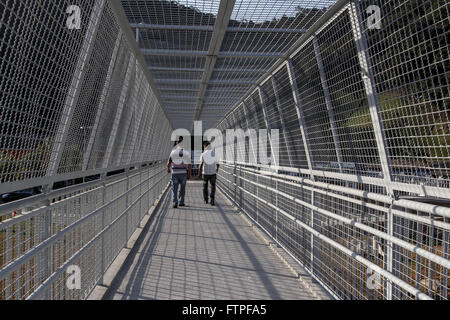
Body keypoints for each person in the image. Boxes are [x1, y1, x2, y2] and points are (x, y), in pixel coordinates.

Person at [167, 137, 192, 208]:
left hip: (175, 173)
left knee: (174, 188)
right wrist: (189, 174)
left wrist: (168, 168)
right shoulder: (186, 153)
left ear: (177, 144)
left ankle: (175, 202)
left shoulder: (173, 152)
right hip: (183, 173)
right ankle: (181, 202)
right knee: (183, 188)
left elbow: (169, 162)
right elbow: (189, 164)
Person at [198, 141, 219, 206]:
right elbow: (218, 164)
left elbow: (201, 165)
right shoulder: (214, 153)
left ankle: (206, 199)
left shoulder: (203, 154)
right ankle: (212, 200)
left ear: (205, 147)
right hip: (213, 173)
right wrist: (216, 169)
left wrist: (199, 173)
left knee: (205, 187)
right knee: (213, 186)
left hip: (205, 173)